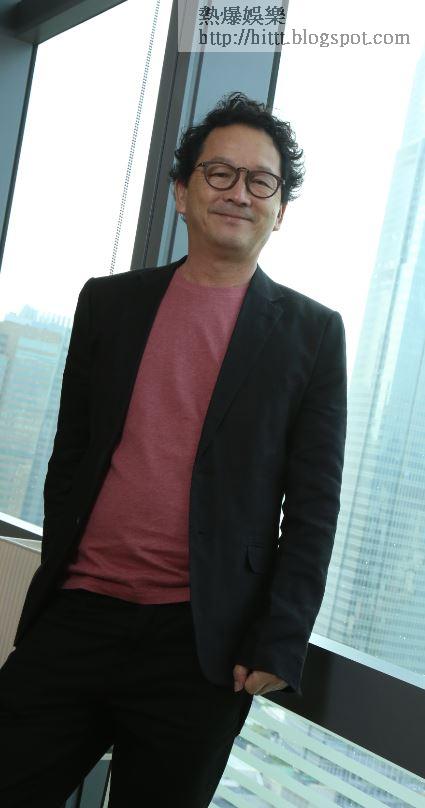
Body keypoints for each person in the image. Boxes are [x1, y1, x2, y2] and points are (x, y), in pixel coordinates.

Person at [0, 91, 347, 807]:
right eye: (219, 173)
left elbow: (314, 507)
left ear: (280, 210)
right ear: (182, 192)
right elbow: (72, 458)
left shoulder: (312, 334)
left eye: (261, 181)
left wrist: (278, 640)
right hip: (78, 614)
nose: (239, 192)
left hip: (201, 649)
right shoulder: (108, 304)